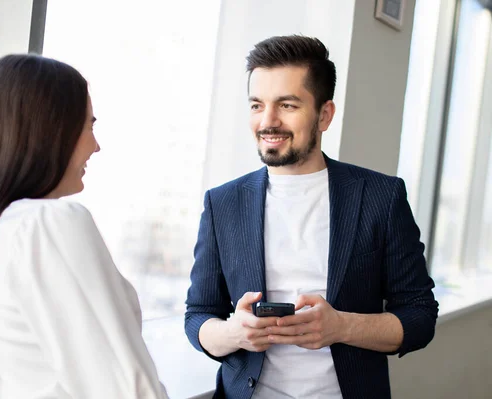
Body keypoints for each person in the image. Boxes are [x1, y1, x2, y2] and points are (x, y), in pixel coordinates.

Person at [185, 35, 438, 399]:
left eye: (287, 105)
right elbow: (198, 315)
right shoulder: (222, 203)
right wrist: (234, 333)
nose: (267, 122)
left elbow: (419, 316)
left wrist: (340, 327)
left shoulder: (381, 197)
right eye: (257, 105)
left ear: (324, 114)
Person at [0, 54, 168, 398]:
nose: (96, 145)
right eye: (89, 126)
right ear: (49, 130)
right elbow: (128, 389)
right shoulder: (47, 224)